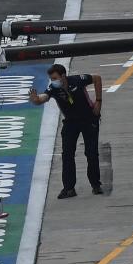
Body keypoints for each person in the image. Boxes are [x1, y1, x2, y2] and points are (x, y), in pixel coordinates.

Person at [29, 64, 103, 199]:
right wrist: (36, 100)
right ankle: (69, 188)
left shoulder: (78, 80)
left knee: (92, 153)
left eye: (55, 78)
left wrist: (98, 101)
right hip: (70, 122)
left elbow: (97, 78)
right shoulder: (53, 88)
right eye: (51, 79)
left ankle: (96, 185)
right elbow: (44, 97)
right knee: (67, 154)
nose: (53, 81)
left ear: (63, 76)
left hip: (89, 119)